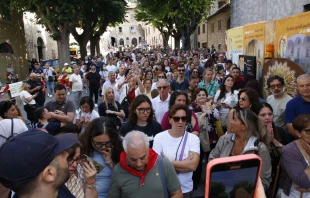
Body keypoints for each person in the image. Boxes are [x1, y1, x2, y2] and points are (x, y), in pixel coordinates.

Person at [0, 130, 78, 198]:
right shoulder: (55, 187)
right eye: (59, 153)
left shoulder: (57, 188)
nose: (66, 154)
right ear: (49, 173)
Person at [209, 109, 272, 190]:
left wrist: (245, 190)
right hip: (222, 188)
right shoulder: (224, 140)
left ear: (244, 126)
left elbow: (265, 181)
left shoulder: (260, 149)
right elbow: (212, 159)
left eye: (234, 119)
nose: (231, 122)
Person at [109, 131, 182, 198]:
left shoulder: (163, 164)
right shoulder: (118, 170)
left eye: (143, 158)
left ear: (148, 150)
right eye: (133, 159)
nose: (139, 164)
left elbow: (177, 194)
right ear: (126, 153)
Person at [153, 104, 200, 197]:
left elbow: (193, 166)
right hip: (165, 189)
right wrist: (184, 164)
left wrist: (167, 162)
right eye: (176, 119)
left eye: (184, 118)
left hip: (185, 189)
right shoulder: (159, 137)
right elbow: (156, 166)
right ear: (170, 120)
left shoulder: (193, 139)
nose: (180, 121)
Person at [79, 117, 123, 198]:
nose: (103, 147)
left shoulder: (120, 148)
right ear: (90, 139)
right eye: (98, 144)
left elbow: (125, 177)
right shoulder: (81, 149)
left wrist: (110, 162)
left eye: (108, 143)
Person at [257, 103, 289, 196]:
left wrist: (273, 141)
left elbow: (289, 153)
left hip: (279, 176)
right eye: (263, 115)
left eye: (270, 114)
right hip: (262, 178)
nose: (267, 117)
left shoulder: (280, 131)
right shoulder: (253, 134)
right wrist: (266, 143)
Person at [277, 114, 310, 197]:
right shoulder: (289, 151)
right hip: (295, 195)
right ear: (298, 133)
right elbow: (303, 181)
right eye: (308, 131)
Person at [285, 74, 310, 139]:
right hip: (301, 144)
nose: (305, 88)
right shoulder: (292, 104)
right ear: (297, 88)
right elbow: (291, 129)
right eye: (302, 86)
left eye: (308, 85)